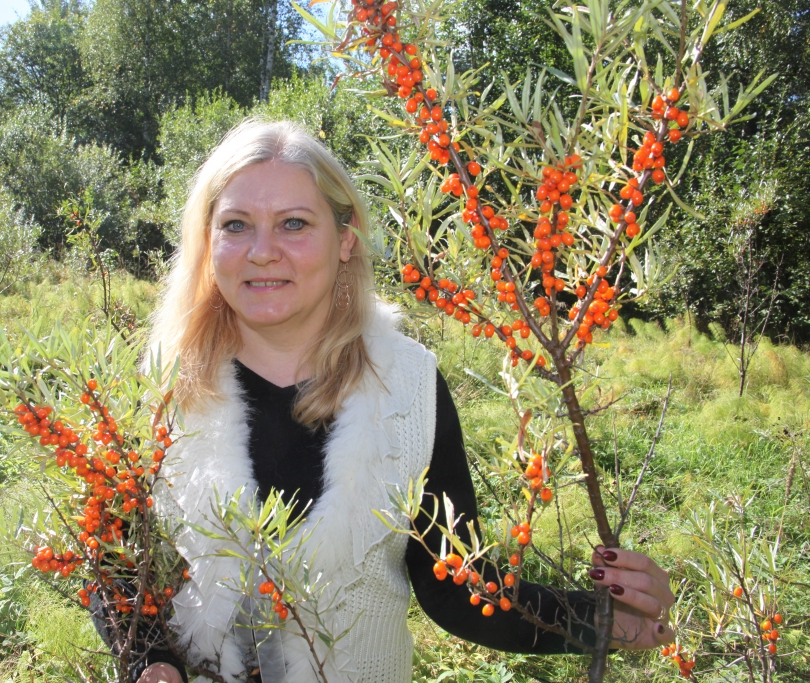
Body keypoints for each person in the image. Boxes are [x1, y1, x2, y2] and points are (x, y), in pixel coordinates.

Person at [135, 119, 674, 683]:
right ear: (208, 239)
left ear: (345, 240)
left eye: (294, 223)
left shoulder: (408, 386)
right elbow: (119, 561)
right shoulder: (163, 381)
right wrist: (153, 661)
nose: (263, 252)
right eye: (236, 225)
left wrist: (605, 620)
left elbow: (457, 588)